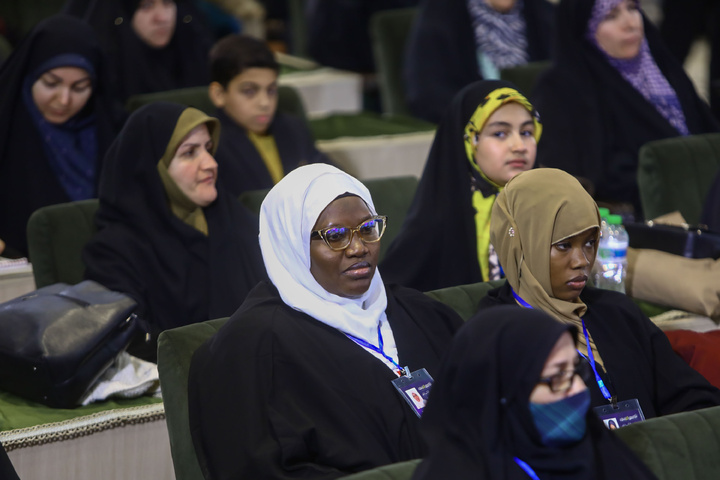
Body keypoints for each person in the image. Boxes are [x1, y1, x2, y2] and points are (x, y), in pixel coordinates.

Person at [188, 163, 463, 478]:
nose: (359, 248)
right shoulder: (253, 347)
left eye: (368, 229)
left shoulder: (423, 314)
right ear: (293, 245)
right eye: (336, 236)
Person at [478, 168, 720, 418]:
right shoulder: (495, 336)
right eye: (564, 245)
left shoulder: (618, 313)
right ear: (522, 245)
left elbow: (693, 398)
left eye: (590, 242)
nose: (582, 261)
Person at [82, 102, 265, 362]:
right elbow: (131, 340)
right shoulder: (114, 251)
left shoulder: (234, 219)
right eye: (190, 152)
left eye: (208, 148)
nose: (211, 163)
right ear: (152, 168)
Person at [412, 305, 657, 479]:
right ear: (505, 393)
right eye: (558, 375)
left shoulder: (596, 446)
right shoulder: (454, 473)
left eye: (575, 369)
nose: (581, 388)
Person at [532, 0, 719, 220]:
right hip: (641, 222)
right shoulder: (564, 87)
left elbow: (707, 136)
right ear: (586, 28)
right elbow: (583, 178)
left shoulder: (660, 66)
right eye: (610, 16)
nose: (630, 23)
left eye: (632, 8)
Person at [381, 80, 541, 291]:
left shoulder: (549, 207)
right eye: (500, 134)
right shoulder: (436, 221)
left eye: (527, 132)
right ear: (469, 140)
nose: (519, 146)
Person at [0, 14, 124, 259]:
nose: (64, 100)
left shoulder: (114, 131)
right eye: (51, 83)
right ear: (30, 75)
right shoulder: (7, 127)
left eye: (80, 87)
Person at [207, 34, 331, 196]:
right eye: (249, 91)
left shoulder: (293, 128)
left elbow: (334, 180)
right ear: (219, 94)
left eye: (271, 90)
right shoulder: (209, 144)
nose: (265, 103)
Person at [404, 0, 555, 123]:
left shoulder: (545, 14)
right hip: (468, 136)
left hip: (542, 135)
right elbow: (427, 94)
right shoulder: (440, 15)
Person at [64, 0, 214, 101]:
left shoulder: (194, 51)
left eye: (168, 3)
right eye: (146, 6)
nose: (162, 17)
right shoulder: (107, 75)